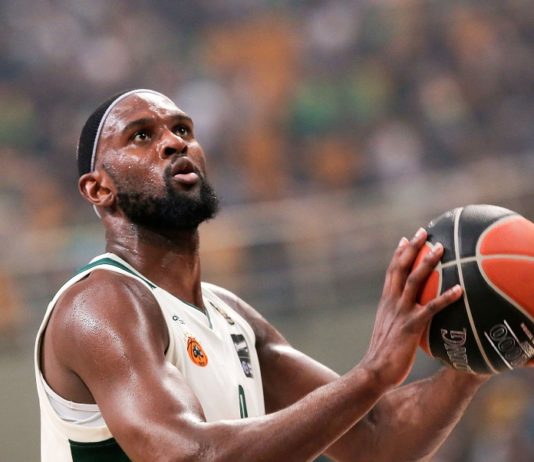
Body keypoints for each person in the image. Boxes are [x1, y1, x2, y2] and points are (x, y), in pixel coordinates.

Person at [35, 89, 489, 462]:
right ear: (99, 188)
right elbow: (187, 457)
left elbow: (378, 439)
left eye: (182, 130)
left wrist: (482, 351)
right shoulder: (100, 304)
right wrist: (371, 375)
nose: (174, 143)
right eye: (141, 136)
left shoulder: (231, 316)